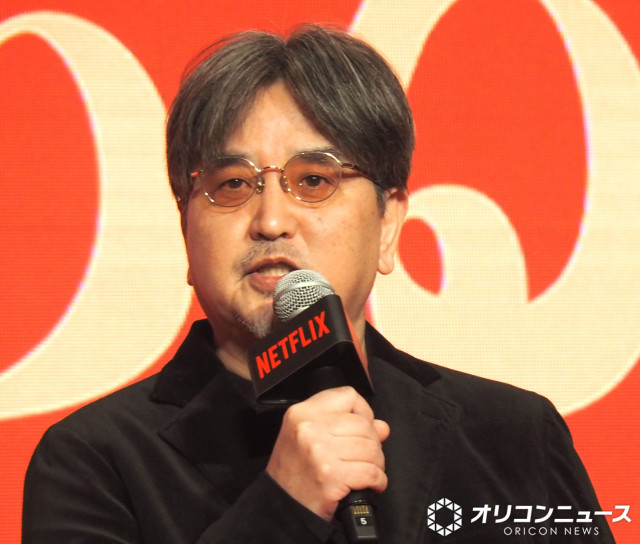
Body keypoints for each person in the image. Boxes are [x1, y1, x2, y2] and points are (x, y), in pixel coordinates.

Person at [22, 24, 615, 543]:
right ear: (185, 230)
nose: (271, 220)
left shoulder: (512, 436)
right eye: (232, 185)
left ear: (388, 225)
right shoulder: (93, 461)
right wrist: (283, 506)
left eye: (313, 180)